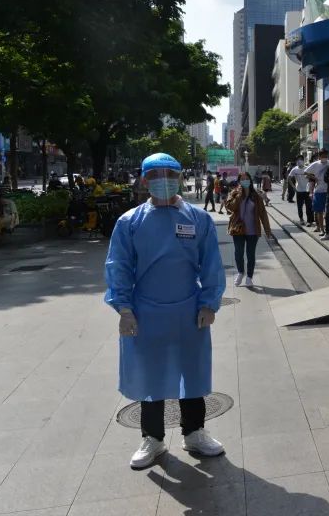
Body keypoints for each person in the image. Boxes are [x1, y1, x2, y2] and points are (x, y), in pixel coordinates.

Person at [104, 153, 226, 469]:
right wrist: (124, 308)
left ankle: (194, 432)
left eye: (170, 174)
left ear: (180, 177)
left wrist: (209, 302)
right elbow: (119, 266)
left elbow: (211, 263)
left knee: (193, 370)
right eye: (156, 175)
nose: (164, 180)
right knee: (150, 374)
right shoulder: (130, 222)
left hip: (189, 309)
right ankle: (153, 439)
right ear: (145, 180)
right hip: (146, 311)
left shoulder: (198, 219)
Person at [225, 172, 274, 288]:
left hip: (253, 230)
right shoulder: (234, 193)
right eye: (242, 179)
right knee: (238, 253)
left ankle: (249, 277)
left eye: (247, 179)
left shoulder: (256, 196)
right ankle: (240, 272)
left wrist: (267, 230)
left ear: (250, 180)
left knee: (250, 254)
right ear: (239, 181)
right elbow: (230, 208)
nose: (245, 181)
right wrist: (239, 196)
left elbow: (263, 213)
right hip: (238, 229)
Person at [304, 149, 329, 234]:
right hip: (319, 191)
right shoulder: (315, 164)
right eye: (323, 156)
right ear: (319, 156)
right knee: (319, 211)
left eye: (326, 156)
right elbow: (305, 172)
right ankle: (321, 229)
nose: (324, 158)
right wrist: (314, 177)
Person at [288, 156, 313, 226]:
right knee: (299, 206)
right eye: (298, 160)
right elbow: (289, 178)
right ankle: (301, 219)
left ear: (303, 161)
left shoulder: (307, 168)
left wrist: (309, 176)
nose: (299, 161)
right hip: (299, 190)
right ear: (296, 161)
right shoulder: (294, 169)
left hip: (307, 190)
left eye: (301, 160)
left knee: (308, 206)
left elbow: (312, 177)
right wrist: (293, 187)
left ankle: (309, 221)